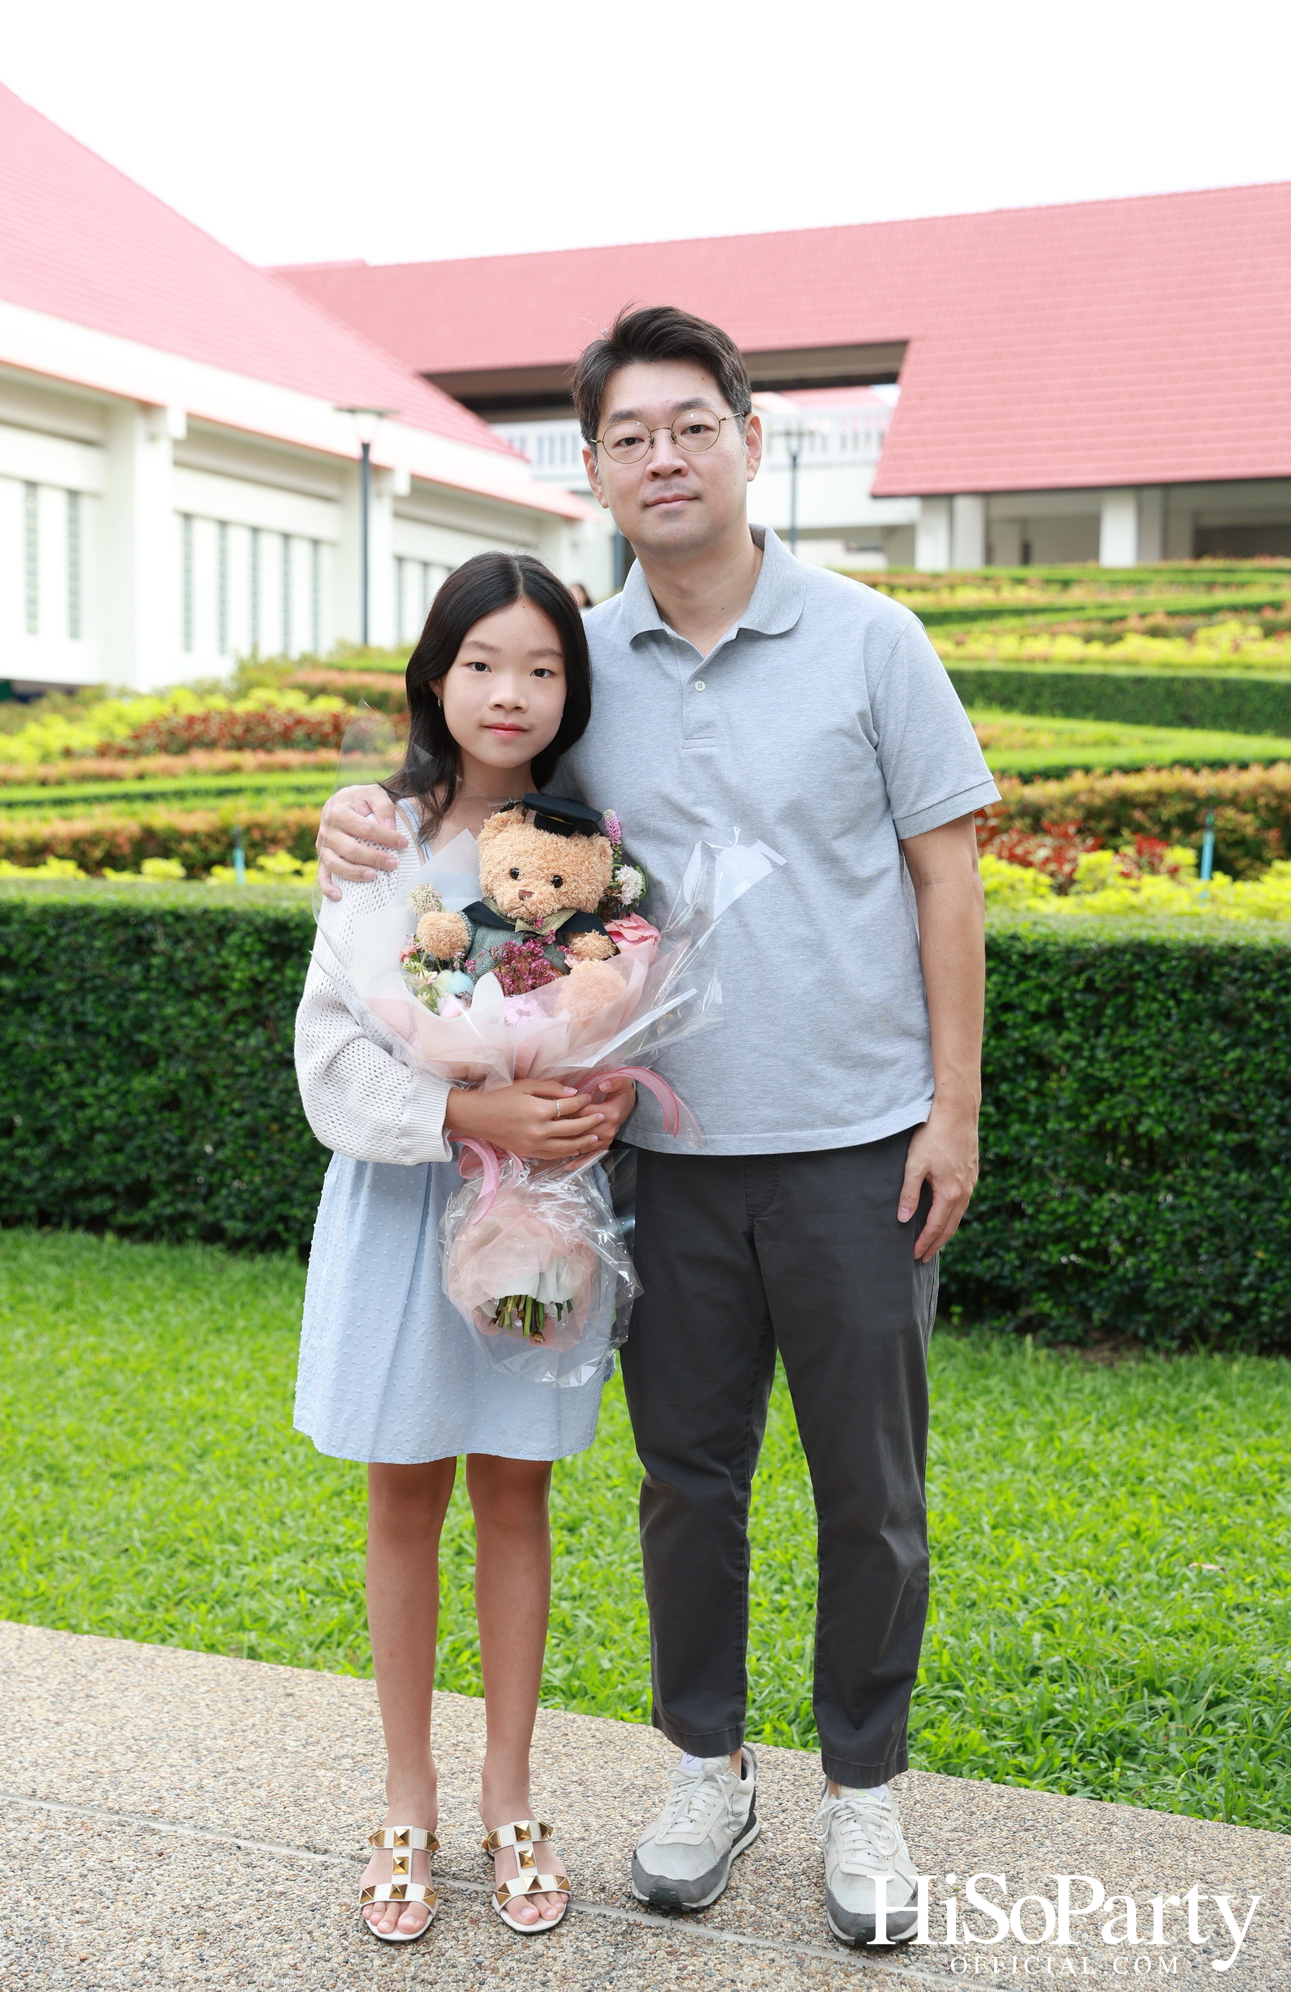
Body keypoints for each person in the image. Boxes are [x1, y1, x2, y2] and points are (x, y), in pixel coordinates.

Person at [315, 306, 998, 1947]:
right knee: (686, 1483)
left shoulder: (871, 640)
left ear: (751, 440)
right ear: (598, 470)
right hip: (651, 1165)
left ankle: (864, 1797)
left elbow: (947, 873)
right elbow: (468, 812)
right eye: (631, 436)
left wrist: (955, 1111)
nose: (666, 457)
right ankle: (708, 1765)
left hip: (854, 1141)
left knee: (870, 1492)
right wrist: (358, 812)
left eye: (693, 425)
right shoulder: (579, 664)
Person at [294, 550, 636, 1943]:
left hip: (538, 1222)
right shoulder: (378, 839)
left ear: (573, 688)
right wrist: (462, 1105)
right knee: (401, 1501)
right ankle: (406, 1798)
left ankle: (510, 1795)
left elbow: (631, 1003)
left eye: (544, 666)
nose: (512, 691)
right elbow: (326, 1061)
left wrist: (590, 1093)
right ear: (436, 676)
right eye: (484, 662)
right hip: (404, 1210)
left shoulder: (598, 847)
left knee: (514, 1499)